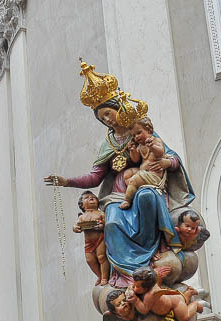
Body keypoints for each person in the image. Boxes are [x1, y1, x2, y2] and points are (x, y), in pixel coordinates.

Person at [43, 73, 195, 284]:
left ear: (118, 108)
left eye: (108, 113)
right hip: (118, 193)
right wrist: (67, 181)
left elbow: (171, 157)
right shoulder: (108, 144)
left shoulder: (140, 131)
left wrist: (166, 163)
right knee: (112, 221)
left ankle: (153, 254)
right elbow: (95, 178)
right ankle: (128, 275)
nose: (106, 119)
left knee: (146, 197)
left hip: (146, 183)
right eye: (102, 118)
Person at [74, 191, 109, 284]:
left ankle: (104, 278)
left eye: (93, 197)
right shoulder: (82, 217)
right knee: (89, 260)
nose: (91, 198)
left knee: (101, 257)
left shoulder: (100, 213)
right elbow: (76, 226)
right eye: (87, 198)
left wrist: (102, 226)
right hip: (89, 242)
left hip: (100, 239)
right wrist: (75, 228)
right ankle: (99, 275)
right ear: (82, 205)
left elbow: (107, 224)